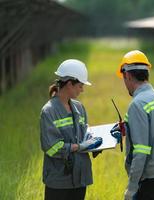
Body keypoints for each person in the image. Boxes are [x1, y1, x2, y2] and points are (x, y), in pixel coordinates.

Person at [112, 50, 154, 200]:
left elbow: (141, 151)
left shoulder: (137, 104)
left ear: (128, 75)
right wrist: (129, 127)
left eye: (124, 79)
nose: (125, 83)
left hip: (147, 182)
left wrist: (131, 189)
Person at [40, 59, 102, 200]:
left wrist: (100, 143)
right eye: (80, 86)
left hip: (80, 178)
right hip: (59, 181)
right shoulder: (49, 111)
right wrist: (79, 147)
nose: (82, 89)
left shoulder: (79, 107)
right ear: (69, 84)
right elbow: (51, 147)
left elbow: (85, 134)